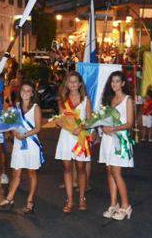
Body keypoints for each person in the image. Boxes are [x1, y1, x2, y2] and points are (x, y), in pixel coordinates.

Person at [0, 81, 42, 214]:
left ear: (32, 93)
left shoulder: (35, 108)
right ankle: (10, 198)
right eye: (23, 90)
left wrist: (24, 134)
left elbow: (38, 128)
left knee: (31, 173)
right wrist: (14, 133)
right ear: (20, 92)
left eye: (28, 91)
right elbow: (11, 125)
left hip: (31, 143)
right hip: (18, 143)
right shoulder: (16, 107)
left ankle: (30, 201)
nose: (25, 93)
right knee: (16, 172)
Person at [55, 71, 92, 214]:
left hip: (80, 137)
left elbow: (89, 120)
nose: (73, 84)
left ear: (80, 84)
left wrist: (81, 128)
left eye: (75, 81)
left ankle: (82, 198)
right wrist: (61, 124)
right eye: (70, 81)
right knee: (67, 168)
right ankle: (70, 200)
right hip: (66, 136)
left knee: (81, 168)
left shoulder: (86, 100)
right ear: (66, 83)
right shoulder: (62, 100)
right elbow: (61, 119)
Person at [99, 71, 134, 220]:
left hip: (120, 139)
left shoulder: (127, 100)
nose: (114, 84)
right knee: (109, 171)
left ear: (123, 83)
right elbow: (102, 119)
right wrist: (102, 126)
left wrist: (113, 129)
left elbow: (129, 123)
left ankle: (126, 206)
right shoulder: (109, 99)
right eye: (112, 81)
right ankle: (114, 203)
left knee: (116, 172)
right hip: (107, 139)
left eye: (117, 81)